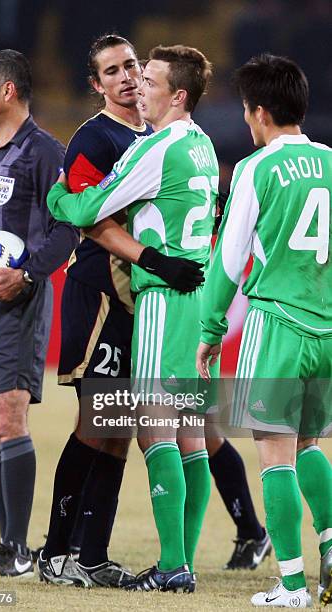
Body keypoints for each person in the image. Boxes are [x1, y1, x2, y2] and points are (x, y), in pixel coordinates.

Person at [47, 43, 222, 593]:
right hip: (197, 295)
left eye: (149, 80)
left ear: (178, 95)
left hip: (161, 300)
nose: (137, 88)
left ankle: (172, 565)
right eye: (132, 76)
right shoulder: (203, 144)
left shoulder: (158, 147)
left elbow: (88, 207)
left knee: (153, 428)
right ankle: (183, 561)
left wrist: (58, 195)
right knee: (192, 434)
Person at [196, 54, 332, 608]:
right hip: (326, 328)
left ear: (258, 112)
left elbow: (229, 261)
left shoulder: (256, 168)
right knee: (309, 445)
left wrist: (208, 328)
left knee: (273, 452)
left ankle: (294, 585)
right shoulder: (329, 160)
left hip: (275, 323)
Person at [0, 49, 80, 578]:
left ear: (8, 91)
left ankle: (18, 550)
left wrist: (25, 275)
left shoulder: (45, 152)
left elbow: (67, 231)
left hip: (14, 302)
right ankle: (7, 548)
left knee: (8, 417)